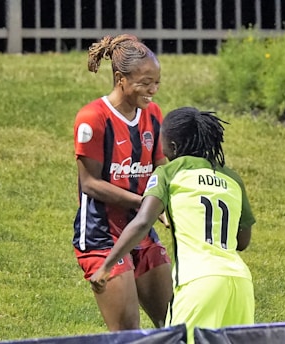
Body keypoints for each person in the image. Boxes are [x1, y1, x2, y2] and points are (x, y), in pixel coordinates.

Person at [90, 107, 256, 343]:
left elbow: (142, 222)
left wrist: (106, 267)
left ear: (174, 148)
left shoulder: (168, 173)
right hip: (240, 283)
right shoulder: (232, 178)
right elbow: (243, 241)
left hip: (197, 282)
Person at [72, 34, 173, 331]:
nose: (153, 90)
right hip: (101, 237)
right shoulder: (93, 118)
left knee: (173, 324)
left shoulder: (153, 115)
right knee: (128, 335)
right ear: (120, 79)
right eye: (145, 82)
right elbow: (89, 183)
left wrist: (164, 203)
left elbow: (159, 169)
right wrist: (146, 204)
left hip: (141, 229)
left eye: (157, 82)